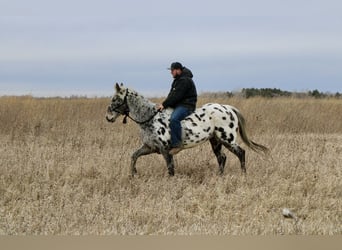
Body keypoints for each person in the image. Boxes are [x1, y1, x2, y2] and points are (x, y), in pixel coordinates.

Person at [156, 62, 197, 155]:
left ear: (178, 70)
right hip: (179, 105)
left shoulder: (185, 80)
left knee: (174, 119)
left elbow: (177, 96)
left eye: (172, 70)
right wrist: (163, 105)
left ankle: (177, 144)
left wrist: (164, 104)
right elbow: (172, 95)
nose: (171, 72)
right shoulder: (177, 80)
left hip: (187, 105)